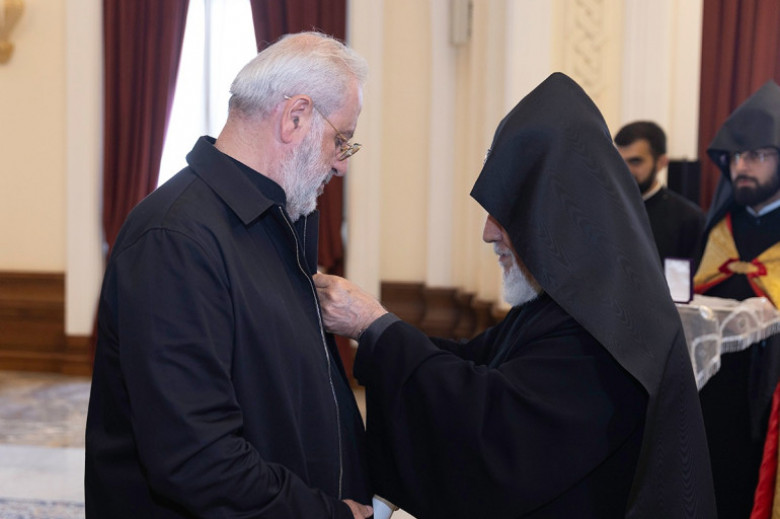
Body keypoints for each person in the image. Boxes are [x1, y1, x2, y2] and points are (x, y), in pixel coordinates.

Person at [315, 72, 716, 518]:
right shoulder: (563, 301)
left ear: (553, 220)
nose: (488, 233)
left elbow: (496, 431)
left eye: (504, 215)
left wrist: (376, 328)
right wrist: (374, 326)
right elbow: (473, 360)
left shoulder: (609, 329)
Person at [85, 32, 373, 519]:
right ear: (295, 117)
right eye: (341, 139)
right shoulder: (173, 238)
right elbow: (195, 458)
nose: (341, 164)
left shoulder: (272, 220)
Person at [693, 79, 780, 519]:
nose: (742, 166)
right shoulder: (718, 230)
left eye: (757, 155)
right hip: (715, 397)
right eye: (735, 157)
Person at [614, 121, 705, 264]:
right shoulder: (604, 210)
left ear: (661, 162)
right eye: (619, 161)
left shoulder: (688, 219)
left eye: (635, 161)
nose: (625, 170)